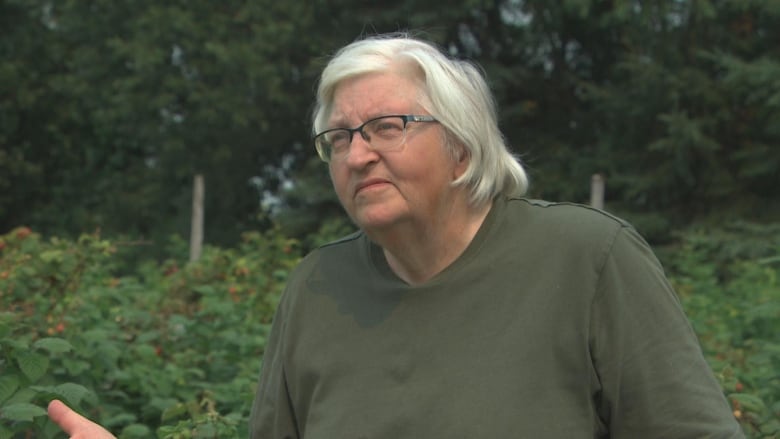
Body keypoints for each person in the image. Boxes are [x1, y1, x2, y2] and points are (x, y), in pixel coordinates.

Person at [49, 32, 744, 438]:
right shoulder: (317, 289)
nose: (357, 154)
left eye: (387, 128)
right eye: (340, 137)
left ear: (464, 149)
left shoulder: (587, 259)